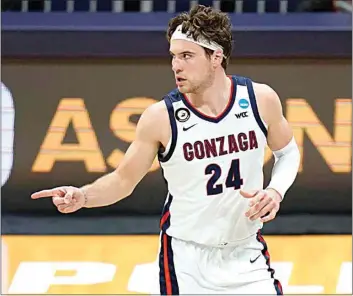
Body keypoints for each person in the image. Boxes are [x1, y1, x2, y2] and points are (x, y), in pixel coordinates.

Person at [31, 4, 300, 294]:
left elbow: (287, 153)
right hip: (187, 259)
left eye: (186, 56)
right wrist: (82, 196)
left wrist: (275, 191)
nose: (176, 65)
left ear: (216, 57)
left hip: (246, 251)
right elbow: (123, 180)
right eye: (173, 56)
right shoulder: (161, 117)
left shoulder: (259, 98)